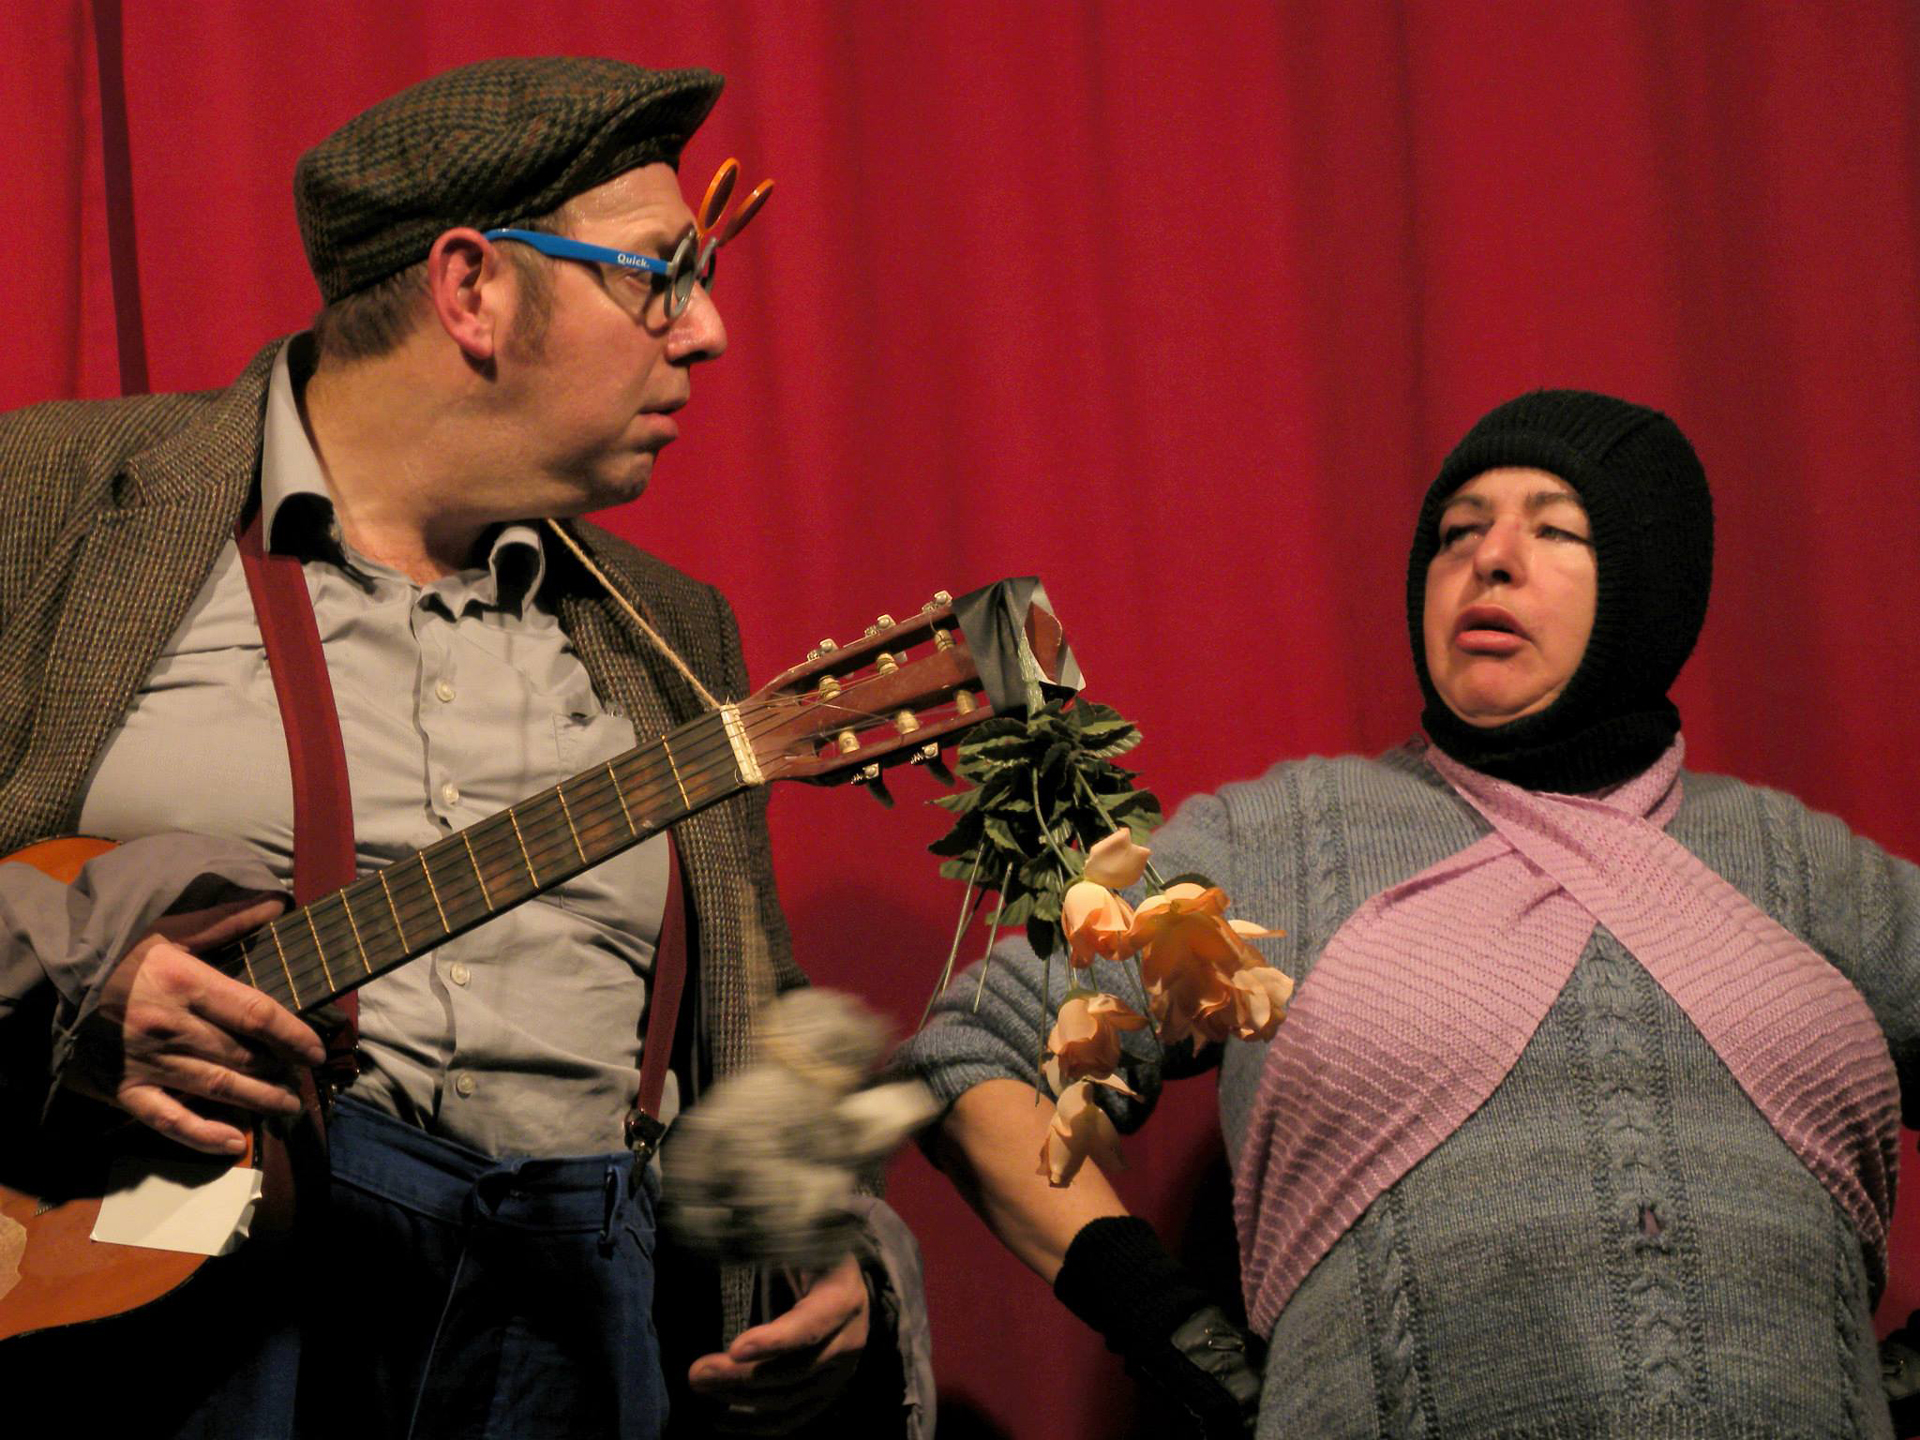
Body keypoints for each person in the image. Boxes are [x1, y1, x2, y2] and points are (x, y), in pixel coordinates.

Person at [0, 56, 925, 1439]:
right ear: (473, 288)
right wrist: (70, 971)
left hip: (569, 1356)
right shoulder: (53, 505)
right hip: (153, 1346)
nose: (712, 329)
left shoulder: (677, 637)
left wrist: (850, 1258)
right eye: (657, 277)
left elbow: (754, 1043)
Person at [901, 389, 1920, 1438]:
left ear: (1649, 581)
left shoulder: (1804, 870)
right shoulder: (1280, 843)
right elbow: (979, 1051)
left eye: (1555, 529)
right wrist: (1168, 1330)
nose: (1491, 560)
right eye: (1457, 533)